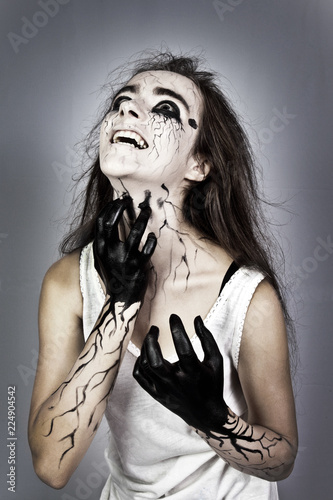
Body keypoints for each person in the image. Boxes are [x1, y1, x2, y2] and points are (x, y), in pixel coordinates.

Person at [28, 51, 298, 499]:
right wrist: (119, 304)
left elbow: (283, 461)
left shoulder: (247, 295)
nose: (126, 110)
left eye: (166, 107)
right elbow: (49, 465)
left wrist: (215, 420)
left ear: (199, 165)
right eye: (122, 101)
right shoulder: (67, 282)